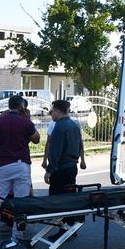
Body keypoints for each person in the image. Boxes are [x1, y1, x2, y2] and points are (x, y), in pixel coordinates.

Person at [0, 95, 40, 246]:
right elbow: (37, 139)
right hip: (22, 165)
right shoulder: (25, 122)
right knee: (21, 200)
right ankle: (17, 233)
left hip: (4, 165)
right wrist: (29, 119)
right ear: (21, 107)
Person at [44, 100, 85, 241]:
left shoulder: (59, 126)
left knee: (58, 201)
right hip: (72, 167)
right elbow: (80, 144)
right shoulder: (74, 125)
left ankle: (63, 230)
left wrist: (49, 170)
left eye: (52, 110)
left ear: (58, 111)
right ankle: (70, 227)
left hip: (60, 169)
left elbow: (55, 152)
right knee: (69, 198)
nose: (51, 113)